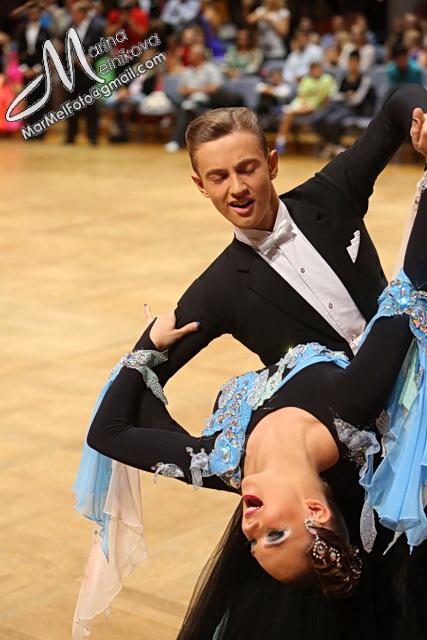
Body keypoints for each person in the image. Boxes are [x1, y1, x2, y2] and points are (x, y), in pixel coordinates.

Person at [80, 125, 427, 638]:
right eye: (273, 535)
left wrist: (145, 351)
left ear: (271, 164)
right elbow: (412, 284)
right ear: (314, 509)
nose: (250, 528)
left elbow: (106, 431)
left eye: (253, 542)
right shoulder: (354, 402)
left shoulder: (222, 463)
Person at [312, 50, 375, 158]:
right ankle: (334, 145)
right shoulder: (343, 76)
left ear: (359, 62)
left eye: (354, 61)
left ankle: (334, 145)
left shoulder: (365, 79)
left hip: (354, 108)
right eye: (350, 61)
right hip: (338, 105)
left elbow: (358, 99)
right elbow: (334, 95)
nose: (352, 64)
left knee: (331, 121)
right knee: (317, 119)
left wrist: (348, 97)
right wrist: (345, 95)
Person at [274, 61, 337, 155]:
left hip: (316, 107)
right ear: (310, 71)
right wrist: (304, 104)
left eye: (318, 69)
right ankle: (280, 143)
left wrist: (324, 107)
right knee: (288, 116)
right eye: (314, 69)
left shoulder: (327, 79)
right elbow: (302, 96)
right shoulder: (306, 80)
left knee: (293, 111)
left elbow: (327, 97)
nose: (316, 71)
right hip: (301, 105)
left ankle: (284, 109)